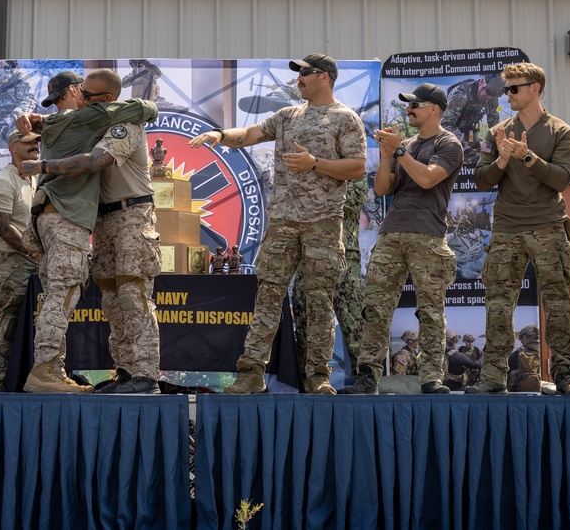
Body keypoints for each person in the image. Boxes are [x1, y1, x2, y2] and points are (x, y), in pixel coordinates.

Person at [190, 53, 366, 395]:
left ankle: (318, 376)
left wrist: (315, 163)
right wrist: (219, 134)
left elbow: (357, 167)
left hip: (323, 223)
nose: (298, 79)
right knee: (268, 295)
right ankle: (251, 373)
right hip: (283, 221)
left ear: (324, 77)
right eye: (298, 74)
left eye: (305, 74)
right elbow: (251, 134)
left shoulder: (345, 118)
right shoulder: (287, 115)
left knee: (319, 300)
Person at [17, 69, 160, 394]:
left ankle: (146, 375)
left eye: (87, 94)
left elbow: (97, 161)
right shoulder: (89, 122)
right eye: (79, 90)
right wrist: (32, 119)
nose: (79, 96)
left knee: (133, 295)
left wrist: (43, 167)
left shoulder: (124, 126)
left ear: (106, 101)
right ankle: (125, 371)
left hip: (132, 215)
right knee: (111, 298)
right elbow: (55, 123)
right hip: (102, 220)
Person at [465, 63, 570, 396]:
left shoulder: (562, 131)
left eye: (513, 89)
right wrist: (503, 159)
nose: (508, 95)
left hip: (547, 226)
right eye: (506, 89)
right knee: (498, 304)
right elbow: (481, 178)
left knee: (558, 304)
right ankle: (493, 375)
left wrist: (528, 156)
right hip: (507, 228)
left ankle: (565, 375)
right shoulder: (498, 132)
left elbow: (562, 179)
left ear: (535, 88)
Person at [342, 83, 463, 395]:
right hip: (392, 233)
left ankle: (431, 378)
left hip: (428, 235)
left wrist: (398, 150)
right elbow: (383, 189)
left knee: (431, 310)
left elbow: (426, 178)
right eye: (408, 105)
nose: (409, 110)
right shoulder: (406, 144)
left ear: (434, 109)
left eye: (415, 105)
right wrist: (386, 157)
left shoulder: (449, 144)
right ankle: (368, 376)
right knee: (376, 308)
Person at [292, 178, 367, 382]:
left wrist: (316, 191)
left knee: (353, 324)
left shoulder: (353, 171)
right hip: (308, 256)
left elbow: (352, 201)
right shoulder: (307, 169)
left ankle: (363, 380)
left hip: (344, 258)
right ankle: (307, 380)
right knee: (305, 321)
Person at [0, 130, 43, 391]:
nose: (35, 145)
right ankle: (1, 381)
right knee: (7, 321)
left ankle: (28, 378)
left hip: (34, 261)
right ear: (12, 147)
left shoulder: (36, 178)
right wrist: (32, 252)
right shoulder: (2, 181)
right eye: (28, 142)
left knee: (34, 322)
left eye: (36, 141)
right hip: (9, 262)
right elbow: (2, 227)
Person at [441, 74, 505, 163]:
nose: (489, 97)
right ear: (482, 82)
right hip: (450, 131)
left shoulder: (491, 97)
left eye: (493, 95)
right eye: (489, 92)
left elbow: (494, 125)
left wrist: (496, 146)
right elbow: (445, 124)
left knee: (484, 153)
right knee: (466, 157)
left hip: (469, 130)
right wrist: (466, 149)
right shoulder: (460, 94)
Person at [507, 325, 542, 392]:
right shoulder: (545, 352)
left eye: (521, 339)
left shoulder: (518, 353)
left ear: (525, 337)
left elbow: (507, 369)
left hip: (521, 392)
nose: (521, 342)